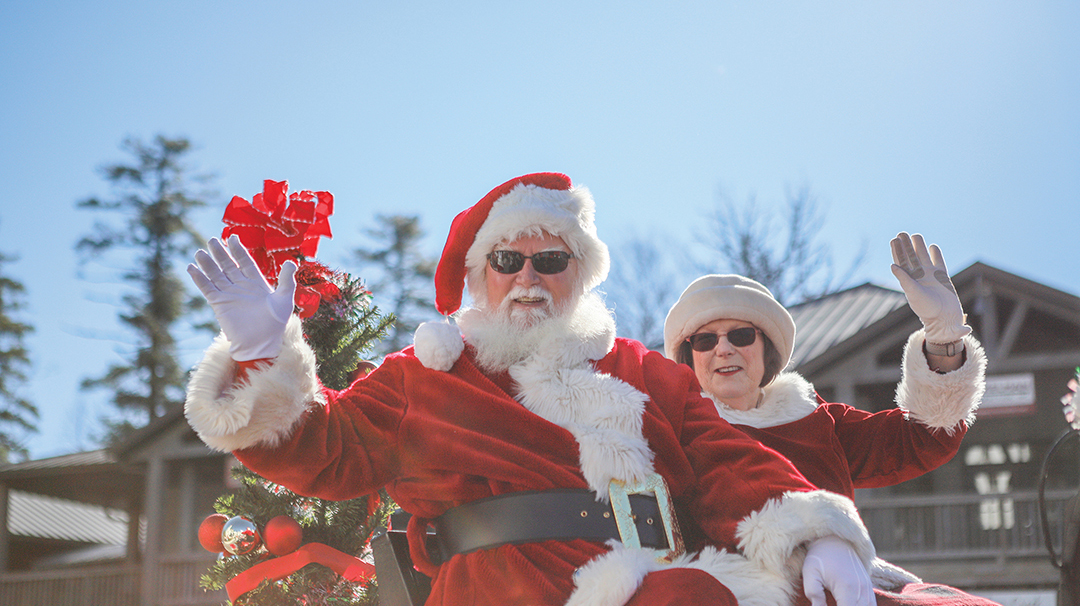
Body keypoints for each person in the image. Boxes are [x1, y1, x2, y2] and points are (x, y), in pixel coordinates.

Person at [185, 172, 879, 606]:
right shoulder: (423, 378)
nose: (527, 277)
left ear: (579, 273)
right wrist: (259, 353)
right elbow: (322, 447)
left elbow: (728, 459)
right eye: (507, 259)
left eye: (550, 260)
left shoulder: (638, 370)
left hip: (652, 575)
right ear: (477, 273)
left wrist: (816, 538)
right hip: (502, 586)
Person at [662, 233, 989, 595]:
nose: (723, 349)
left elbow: (922, 437)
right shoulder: (673, 431)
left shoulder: (815, 421)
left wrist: (944, 340)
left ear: (765, 347)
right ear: (689, 357)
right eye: (705, 340)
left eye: (740, 336)